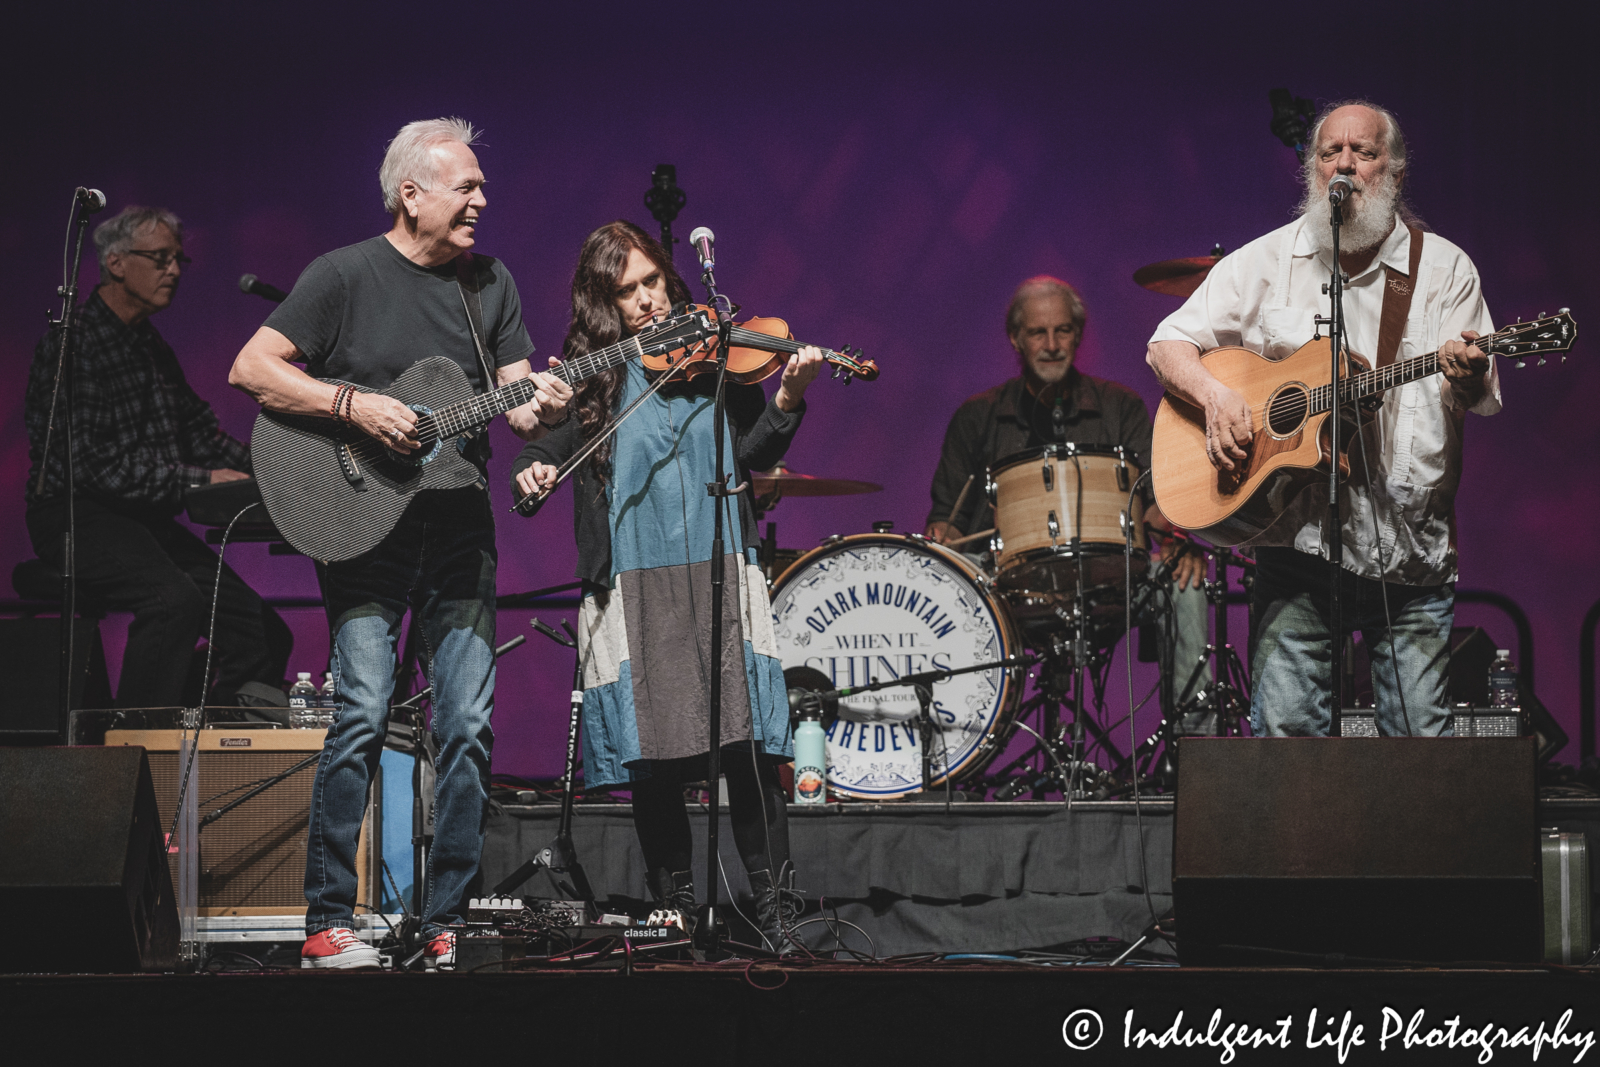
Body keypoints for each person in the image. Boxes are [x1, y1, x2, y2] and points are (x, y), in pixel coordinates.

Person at [229, 117, 572, 970]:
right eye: (467, 186)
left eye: (482, 188)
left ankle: (444, 920)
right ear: (410, 192)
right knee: (362, 712)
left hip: (460, 527)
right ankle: (326, 922)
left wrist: (547, 407)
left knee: (467, 723)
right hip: (361, 524)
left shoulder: (488, 284)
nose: (482, 200)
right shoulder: (342, 275)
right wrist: (356, 407)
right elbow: (254, 367)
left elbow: (518, 401)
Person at [512, 221, 822, 953]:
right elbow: (550, 443)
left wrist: (789, 399)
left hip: (717, 562)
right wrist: (533, 463)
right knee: (652, 757)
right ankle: (674, 909)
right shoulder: (595, 373)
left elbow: (750, 451)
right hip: (632, 578)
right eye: (628, 291)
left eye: (654, 281)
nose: (648, 300)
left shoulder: (713, 357)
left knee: (745, 746)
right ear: (604, 305)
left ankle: (775, 912)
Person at [1146, 100, 1499, 737]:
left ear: (1391, 169)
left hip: (1408, 548)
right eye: (1329, 152)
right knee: (1286, 747)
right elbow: (1167, 344)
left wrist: (1468, 371)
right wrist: (1218, 397)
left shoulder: (1444, 269)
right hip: (1297, 545)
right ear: (1311, 167)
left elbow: (1475, 391)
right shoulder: (1267, 261)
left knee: (1422, 750)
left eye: (1361, 152)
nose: (1344, 164)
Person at [23, 205, 291, 709]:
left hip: (141, 519)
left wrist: (279, 474)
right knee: (171, 601)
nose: (174, 270)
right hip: (76, 515)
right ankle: (134, 751)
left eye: (178, 260)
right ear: (117, 263)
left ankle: (201, 746)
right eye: (160, 257)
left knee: (262, 633)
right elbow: (93, 465)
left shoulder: (149, 345)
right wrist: (203, 480)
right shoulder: (74, 343)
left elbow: (199, 431)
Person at [926, 276, 1212, 711]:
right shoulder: (977, 416)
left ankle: (1197, 745)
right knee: (948, 577)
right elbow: (947, 518)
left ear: (1077, 335)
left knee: (1184, 584)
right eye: (1038, 333)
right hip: (1010, 584)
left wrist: (1179, 541)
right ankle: (960, 738)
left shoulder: (1120, 407)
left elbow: (1157, 501)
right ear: (1016, 339)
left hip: (1110, 580)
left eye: (1062, 331)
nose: (1052, 343)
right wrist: (941, 538)